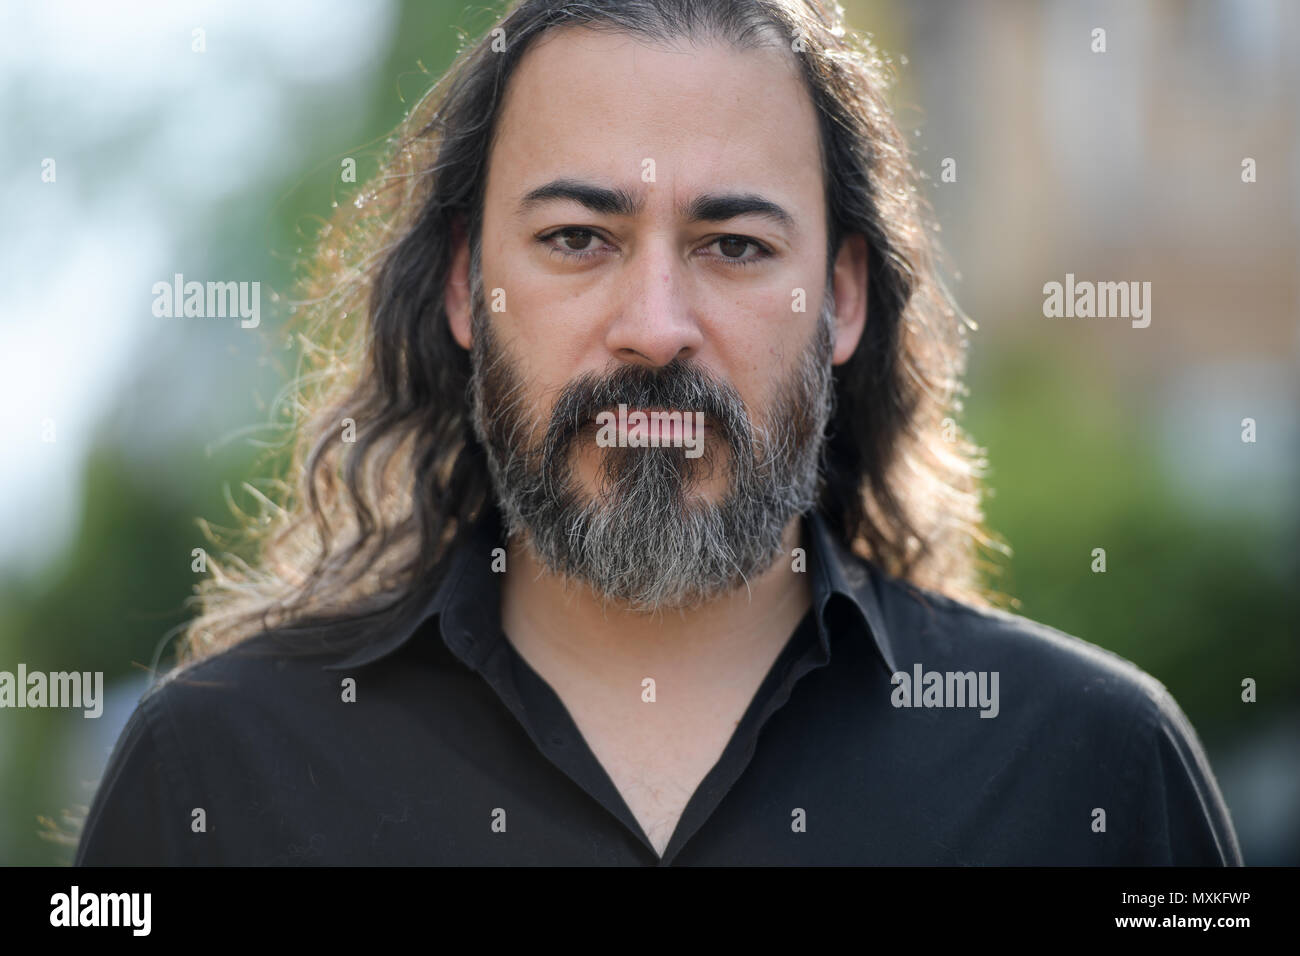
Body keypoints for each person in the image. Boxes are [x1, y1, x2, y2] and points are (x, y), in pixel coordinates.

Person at [75, 0, 1241, 865]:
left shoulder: (1093, 771)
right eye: (579, 238)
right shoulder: (215, 777)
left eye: (733, 246)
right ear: (463, 289)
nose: (653, 327)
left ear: (840, 298)